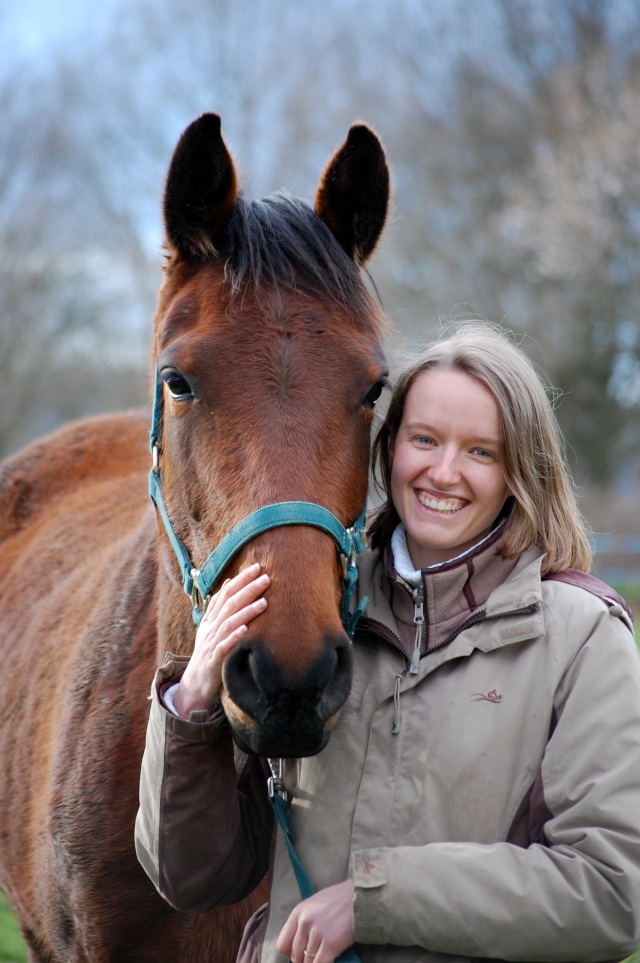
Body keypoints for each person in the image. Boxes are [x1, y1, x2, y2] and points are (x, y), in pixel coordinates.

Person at [135, 321, 640, 963]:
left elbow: (610, 895)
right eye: (423, 439)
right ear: (388, 450)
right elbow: (193, 877)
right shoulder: (318, 616)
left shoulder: (582, 636)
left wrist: (374, 900)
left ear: (521, 470)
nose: (444, 472)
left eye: (481, 452)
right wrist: (193, 709)